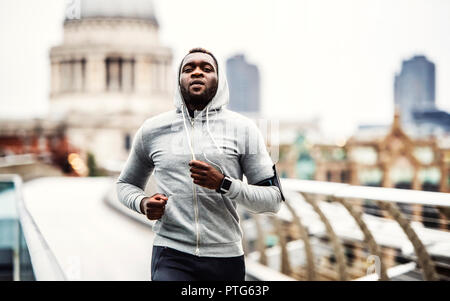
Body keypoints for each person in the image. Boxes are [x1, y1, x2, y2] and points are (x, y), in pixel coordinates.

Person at [116, 47, 285, 281]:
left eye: (206, 69)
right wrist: (142, 202)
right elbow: (125, 184)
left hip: (226, 258)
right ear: (179, 80)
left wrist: (224, 184)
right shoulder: (152, 130)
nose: (197, 73)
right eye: (189, 68)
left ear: (219, 80)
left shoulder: (244, 129)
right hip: (171, 254)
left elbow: (273, 200)